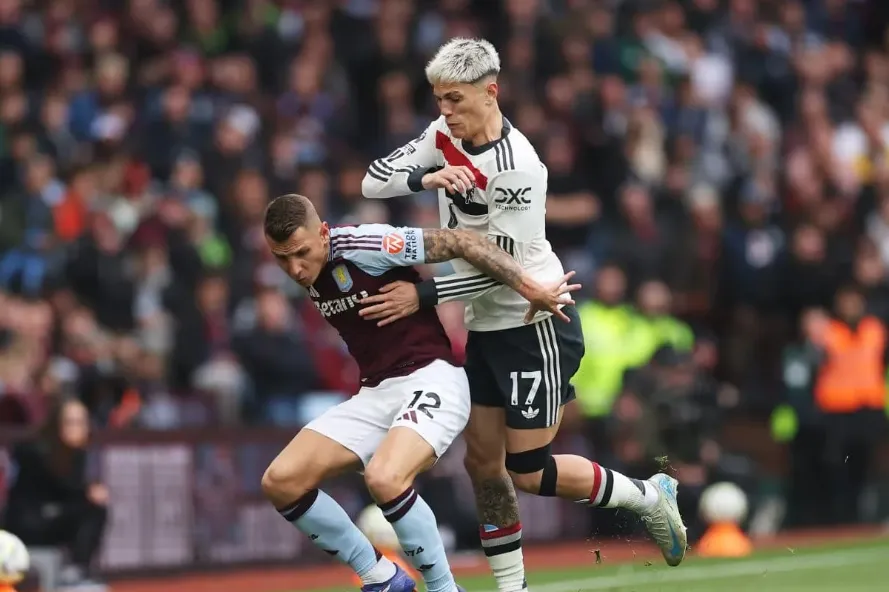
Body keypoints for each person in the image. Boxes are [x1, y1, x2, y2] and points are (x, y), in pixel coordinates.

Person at [361, 38, 687, 592]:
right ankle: (514, 588)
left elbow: (504, 271)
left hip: (534, 325)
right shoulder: (443, 136)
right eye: (439, 99)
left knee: (528, 470)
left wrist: (424, 296)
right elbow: (373, 178)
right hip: (486, 329)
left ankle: (648, 495)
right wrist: (426, 177)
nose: (445, 111)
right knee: (482, 465)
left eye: (455, 99)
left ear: (490, 93)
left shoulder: (518, 167)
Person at [259, 194, 576, 592]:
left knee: (385, 478)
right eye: (282, 258)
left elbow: (463, 242)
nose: (294, 268)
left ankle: (444, 588)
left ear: (323, 233)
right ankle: (381, 577)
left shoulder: (366, 244)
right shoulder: (307, 269)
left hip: (432, 377)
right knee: (280, 480)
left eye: (301, 253)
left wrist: (529, 288)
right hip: (376, 392)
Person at [3, 398, 109, 592]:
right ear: (56, 424)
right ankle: (74, 573)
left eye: (81, 423)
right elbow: (59, 486)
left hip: (51, 517)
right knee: (91, 508)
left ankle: (77, 570)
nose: (76, 429)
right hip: (27, 523)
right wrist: (87, 491)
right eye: (70, 422)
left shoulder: (78, 454)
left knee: (95, 508)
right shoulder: (37, 450)